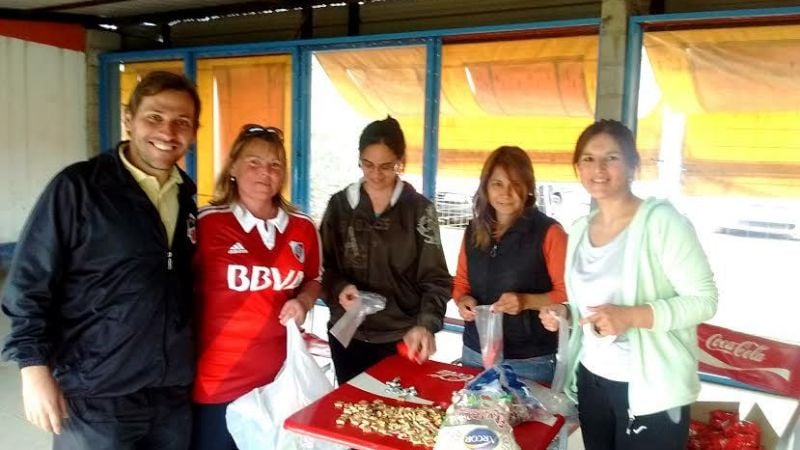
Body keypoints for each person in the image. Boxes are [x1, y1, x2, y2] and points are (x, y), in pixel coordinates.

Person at [1, 71, 201, 449]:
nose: (168, 132)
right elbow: (29, 283)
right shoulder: (79, 187)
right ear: (129, 119)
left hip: (170, 393)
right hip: (96, 393)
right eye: (154, 117)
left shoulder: (186, 196)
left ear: (193, 132)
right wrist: (33, 369)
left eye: (182, 122)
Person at [539, 120, 718, 450]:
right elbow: (586, 305)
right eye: (588, 159)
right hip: (593, 380)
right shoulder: (579, 229)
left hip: (651, 391)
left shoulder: (662, 222)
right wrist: (564, 313)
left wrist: (632, 316)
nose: (599, 169)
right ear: (577, 167)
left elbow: (704, 300)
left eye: (612, 158)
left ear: (633, 165)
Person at [190, 124, 321, 450]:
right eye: (254, 162)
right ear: (233, 167)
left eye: (275, 164)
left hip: (279, 383)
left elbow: (314, 279)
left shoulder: (303, 228)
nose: (265, 172)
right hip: (218, 382)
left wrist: (304, 302)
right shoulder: (207, 223)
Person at [319, 116, 452, 384]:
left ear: (400, 162)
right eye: (367, 165)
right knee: (351, 413)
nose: (376, 174)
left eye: (386, 166)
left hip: (401, 336)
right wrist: (339, 288)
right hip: (348, 334)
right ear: (359, 158)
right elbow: (323, 267)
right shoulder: (341, 206)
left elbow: (435, 279)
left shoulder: (417, 210)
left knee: (396, 416)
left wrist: (425, 325)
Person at [453, 146, 567, 383]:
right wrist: (464, 301)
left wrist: (527, 301)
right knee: (473, 418)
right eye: (497, 184)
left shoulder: (550, 232)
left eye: (515, 184)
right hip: (476, 352)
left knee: (530, 421)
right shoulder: (474, 231)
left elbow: (567, 295)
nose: (506, 192)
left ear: (528, 189)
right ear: (486, 186)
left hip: (530, 360)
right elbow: (462, 282)